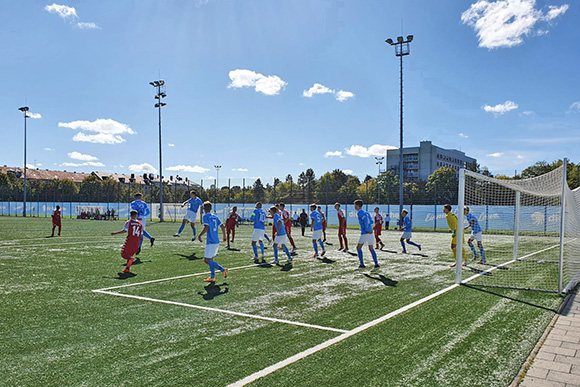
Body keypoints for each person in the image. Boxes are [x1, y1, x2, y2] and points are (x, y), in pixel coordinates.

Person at [197, 201, 228, 282]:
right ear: (211, 208)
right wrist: (224, 236)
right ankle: (212, 277)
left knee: (206, 260)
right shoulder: (215, 216)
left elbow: (206, 227)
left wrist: (200, 235)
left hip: (211, 242)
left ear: (203, 209)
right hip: (216, 241)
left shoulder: (205, 217)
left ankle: (222, 269)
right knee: (211, 259)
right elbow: (222, 226)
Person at [110, 210, 142, 274]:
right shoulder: (140, 224)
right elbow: (141, 234)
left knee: (124, 254)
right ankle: (127, 269)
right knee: (129, 255)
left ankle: (130, 260)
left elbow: (124, 231)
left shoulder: (129, 222)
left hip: (130, 241)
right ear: (136, 216)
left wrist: (115, 233)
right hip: (137, 242)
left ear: (130, 215)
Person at [354, 200, 380, 272]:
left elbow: (365, 220)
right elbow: (371, 221)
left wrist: (365, 229)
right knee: (371, 248)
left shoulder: (359, 212)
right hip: (370, 232)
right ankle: (376, 264)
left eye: (355, 205)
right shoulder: (366, 212)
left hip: (365, 232)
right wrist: (369, 228)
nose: (354, 207)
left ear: (357, 206)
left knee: (358, 247)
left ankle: (362, 264)